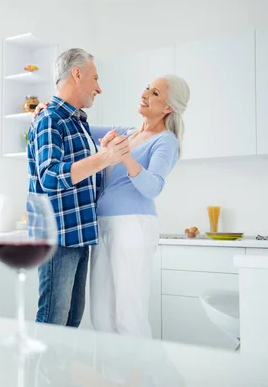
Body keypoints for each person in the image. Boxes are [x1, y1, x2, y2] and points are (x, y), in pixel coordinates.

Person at [27, 48, 130, 327]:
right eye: (95, 78)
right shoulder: (50, 119)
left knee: (71, 323)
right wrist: (104, 158)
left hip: (79, 235)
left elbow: (130, 133)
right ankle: (36, 373)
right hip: (57, 237)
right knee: (53, 322)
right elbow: (49, 176)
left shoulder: (78, 123)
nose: (99, 88)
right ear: (77, 74)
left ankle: (56, 374)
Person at [89, 75, 190, 338]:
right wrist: (46, 110)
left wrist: (123, 156)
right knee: (100, 316)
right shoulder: (127, 133)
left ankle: (138, 376)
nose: (145, 94)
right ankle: (111, 378)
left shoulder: (166, 141)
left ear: (168, 107)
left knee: (128, 316)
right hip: (103, 225)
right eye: (147, 88)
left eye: (155, 93)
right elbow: (80, 127)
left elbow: (153, 186)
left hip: (132, 226)